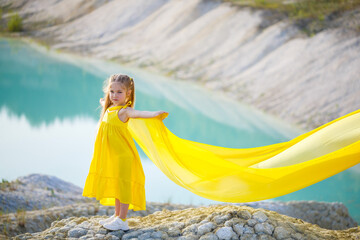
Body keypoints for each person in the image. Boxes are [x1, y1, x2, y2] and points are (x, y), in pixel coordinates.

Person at [82, 74, 168, 231]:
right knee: (117, 185)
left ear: (128, 93)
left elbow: (139, 113)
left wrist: (154, 114)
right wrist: (103, 101)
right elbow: (103, 102)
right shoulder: (109, 108)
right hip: (113, 157)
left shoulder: (124, 112)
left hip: (123, 157)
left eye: (119, 92)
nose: (114, 96)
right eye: (111, 91)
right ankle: (116, 215)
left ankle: (122, 219)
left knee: (123, 186)